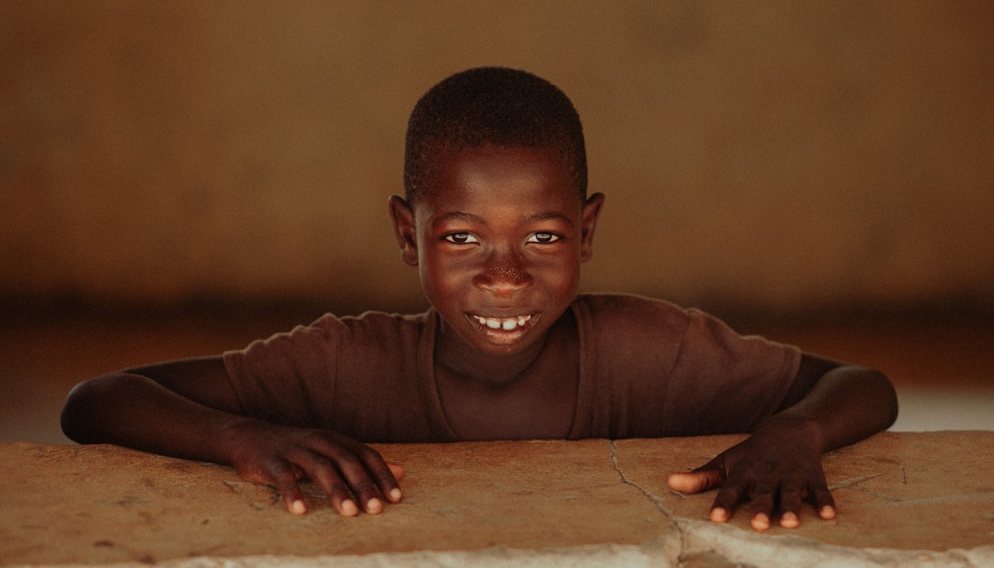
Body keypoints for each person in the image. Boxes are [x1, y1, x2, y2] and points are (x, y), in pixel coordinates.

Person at [61, 66, 898, 532]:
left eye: (542, 236)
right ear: (406, 233)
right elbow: (97, 402)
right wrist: (241, 436)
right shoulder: (345, 364)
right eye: (461, 237)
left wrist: (795, 432)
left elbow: (865, 384)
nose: (504, 277)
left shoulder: (654, 349)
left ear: (589, 228)